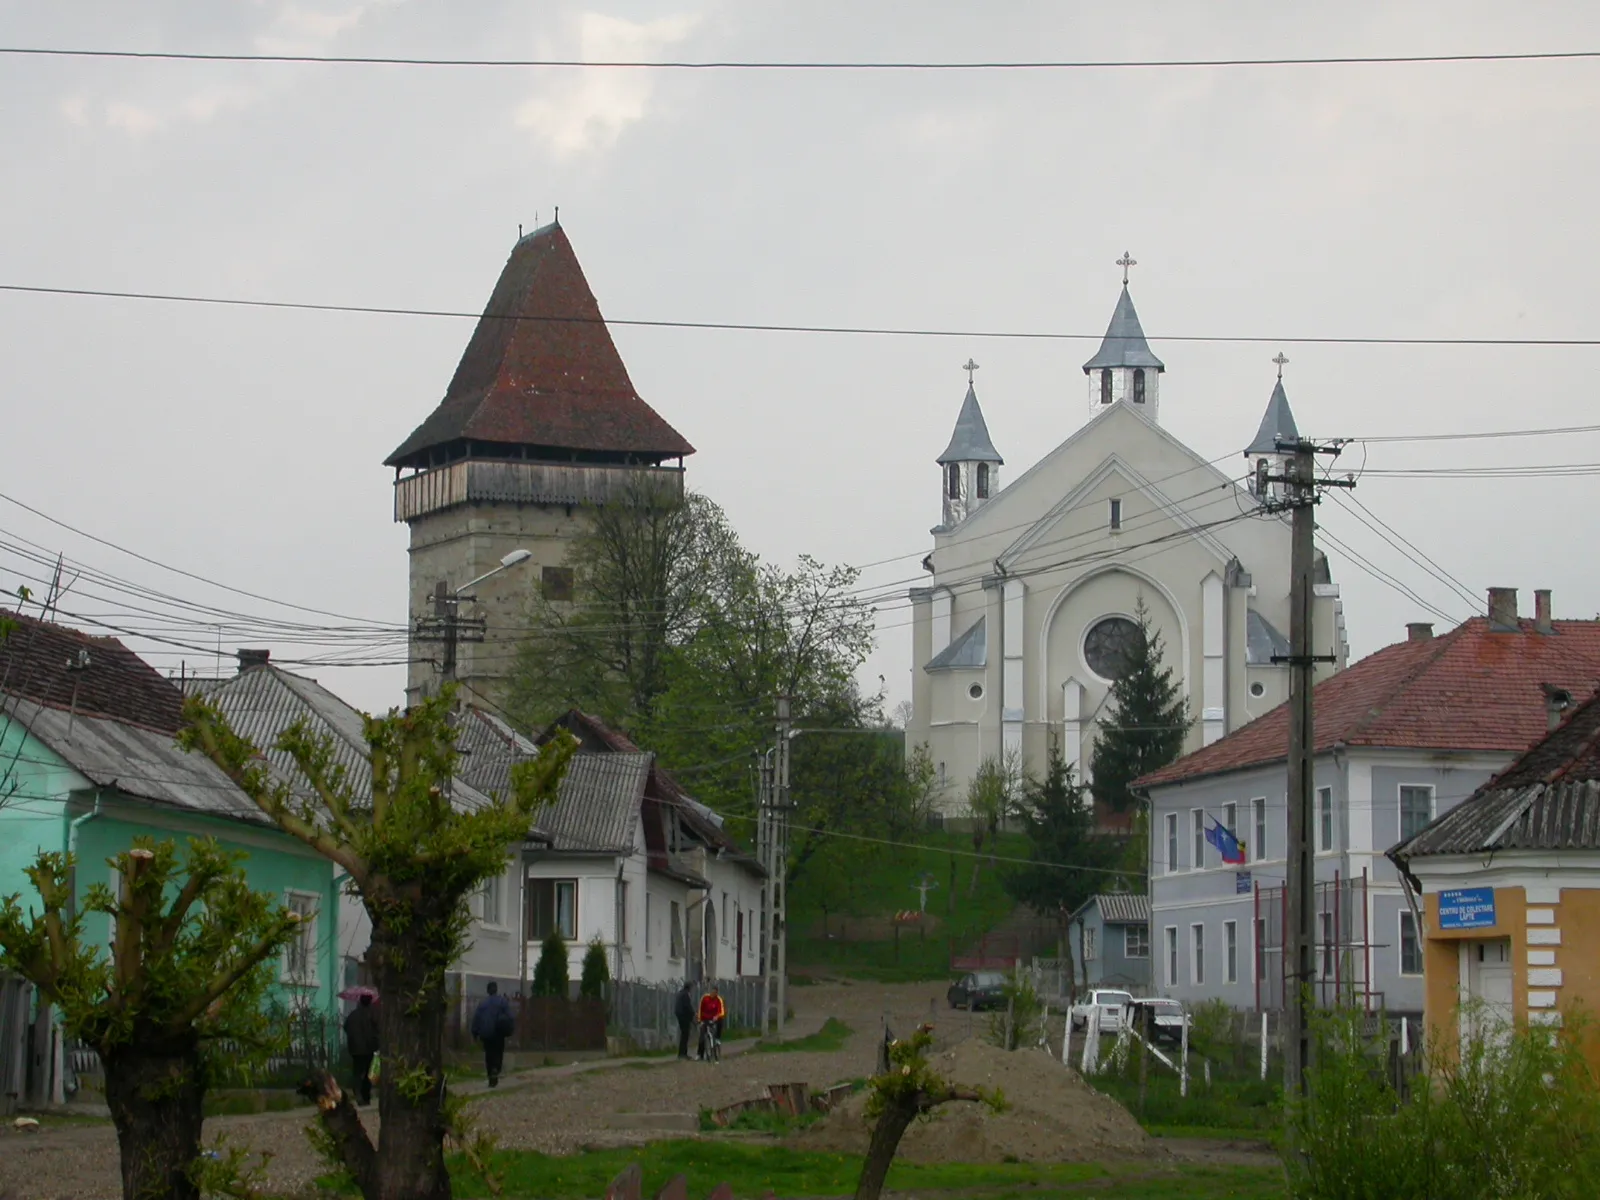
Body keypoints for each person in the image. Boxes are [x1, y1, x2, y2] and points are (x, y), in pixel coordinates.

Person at [470, 981, 514, 1087]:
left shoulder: (482, 1004)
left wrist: (475, 1032)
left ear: (488, 990)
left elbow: (477, 1018)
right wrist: (510, 1029)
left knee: (489, 1054)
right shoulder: (502, 1002)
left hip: (486, 1033)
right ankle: (496, 1069)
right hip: (499, 1032)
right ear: (496, 989)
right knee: (498, 1052)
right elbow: (510, 1016)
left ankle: (491, 1074)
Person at [342, 993, 379, 1105]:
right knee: (368, 1072)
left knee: (357, 1072)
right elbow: (377, 1030)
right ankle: (365, 1096)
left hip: (355, 1049)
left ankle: (358, 1093)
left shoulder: (353, 1015)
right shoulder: (372, 1015)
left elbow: (346, 1027)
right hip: (368, 1048)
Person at [697, 985, 725, 1061]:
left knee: (720, 1021)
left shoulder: (718, 999)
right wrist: (700, 1020)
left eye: (715, 992)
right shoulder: (705, 998)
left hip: (714, 1018)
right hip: (705, 1019)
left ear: (717, 993)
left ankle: (717, 1038)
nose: (713, 994)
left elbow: (722, 1011)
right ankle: (700, 1054)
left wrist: (717, 1016)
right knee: (702, 1036)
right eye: (712, 992)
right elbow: (700, 1009)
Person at [674, 980, 695, 1060]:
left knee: (684, 1034)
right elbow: (687, 1006)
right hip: (683, 1015)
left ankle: (682, 1053)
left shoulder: (681, 993)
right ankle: (683, 1053)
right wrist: (693, 1014)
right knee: (685, 1034)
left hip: (679, 1014)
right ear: (689, 987)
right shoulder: (686, 994)